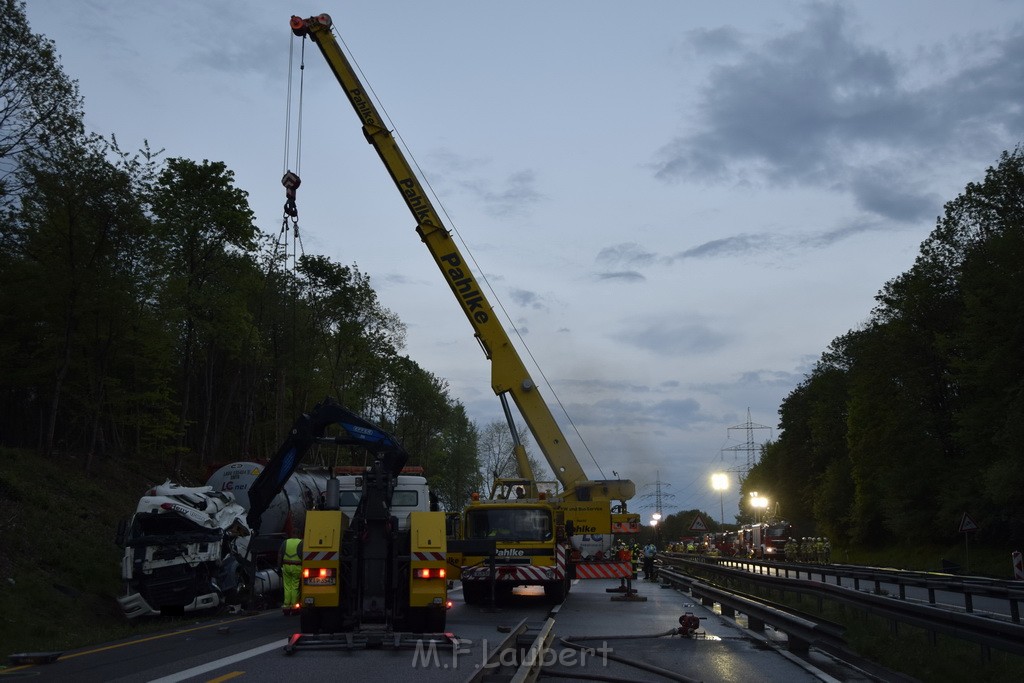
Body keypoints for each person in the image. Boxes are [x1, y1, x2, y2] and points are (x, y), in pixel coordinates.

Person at [278, 534, 303, 613]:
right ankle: (294, 605)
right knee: (295, 586)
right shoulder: (301, 543)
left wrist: (279, 566)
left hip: (286, 567)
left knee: (287, 586)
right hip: (297, 567)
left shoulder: (285, 542)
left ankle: (286, 605)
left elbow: (280, 555)